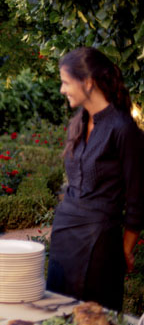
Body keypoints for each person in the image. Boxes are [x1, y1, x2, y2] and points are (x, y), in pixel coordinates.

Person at [47, 47, 144, 311]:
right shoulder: (77, 124)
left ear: (88, 83)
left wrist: (124, 250)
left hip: (99, 243)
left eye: (66, 82)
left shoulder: (123, 129)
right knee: (57, 318)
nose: (62, 90)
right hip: (64, 236)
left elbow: (138, 198)